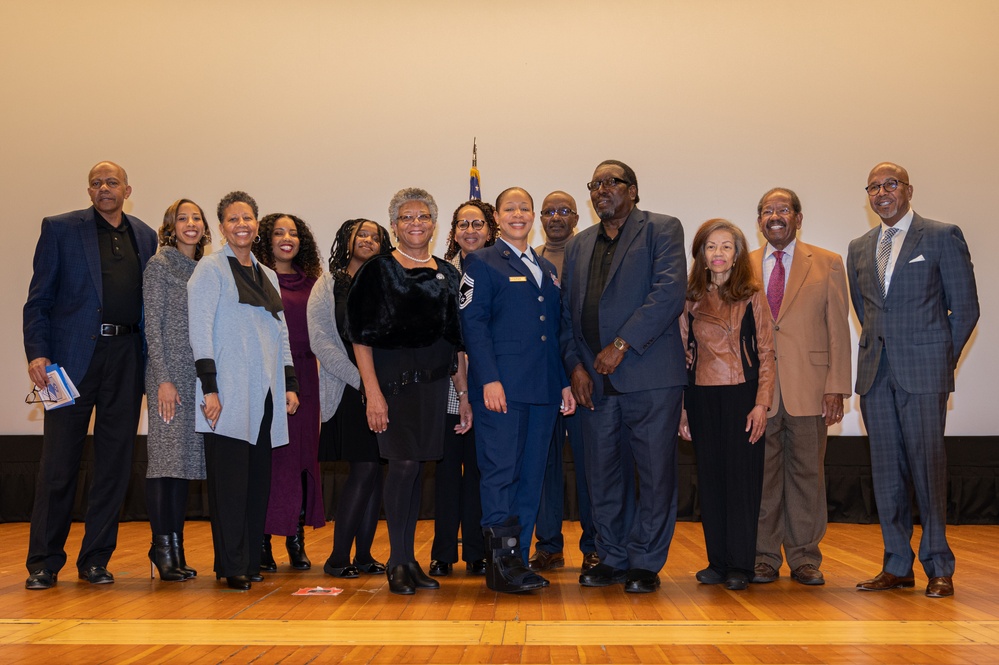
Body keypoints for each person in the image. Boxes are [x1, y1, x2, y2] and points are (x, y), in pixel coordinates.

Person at [847, 162, 979, 598]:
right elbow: (866, 311)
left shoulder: (941, 236)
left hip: (923, 375)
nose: (882, 192)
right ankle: (897, 565)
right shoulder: (859, 247)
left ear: (908, 190)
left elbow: (965, 309)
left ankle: (939, 565)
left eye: (891, 184)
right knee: (886, 474)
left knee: (928, 470)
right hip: (875, 376)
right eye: (874, 187)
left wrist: (940, 360)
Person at [23, 161, 157, 590]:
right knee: (58, 465)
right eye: (97, 183)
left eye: (112, 182)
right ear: (89, 191)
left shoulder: (145, 235)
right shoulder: (60, 229)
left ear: (127, 189)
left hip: (127, 358)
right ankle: (44, 563)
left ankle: (95, 560)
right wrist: (38, 354)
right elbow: (38, 299)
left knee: (114, 465)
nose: (104, 188)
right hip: (68, 363)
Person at [560, 160, 686, 594]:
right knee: (602, 473)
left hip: (649, 375)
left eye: (611, 182)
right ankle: (612, 557)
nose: (601, 190)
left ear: (633, 190)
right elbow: (568, 314)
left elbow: (668, 292)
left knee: (654, 474)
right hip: (594, 381)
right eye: (595, 184)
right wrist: (576, 365)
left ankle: (646, 562)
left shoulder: (662, 229)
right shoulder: (578, 246)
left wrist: (621, 344)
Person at [345, 188, 462, 595]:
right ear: (394, 225)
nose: (416, 223)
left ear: (434, 222)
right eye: (407, 217)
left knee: (417, 471)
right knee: (404, 467)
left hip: (433, 387)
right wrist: (372, 393)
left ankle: (409, 561)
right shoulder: (377, 270)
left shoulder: (448, 272)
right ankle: (397, 561)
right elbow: (360, 337)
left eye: (423, 216)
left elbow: (456, 338)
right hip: (392, 386)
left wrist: (461, 394)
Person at [460, 187, 576, 593]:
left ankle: (520, 561)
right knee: (500, 475)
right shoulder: (482, 262)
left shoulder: (544, 266)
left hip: (543, 391)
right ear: (497, 215)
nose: (518, 214)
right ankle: (500, 566)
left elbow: (553, 332)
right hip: (501, 391)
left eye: (524, 208)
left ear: (533, 216)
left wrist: (563, 383)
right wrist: (489, 379)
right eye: (510, 208)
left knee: (531, 480)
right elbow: (472, 325)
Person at [188, 191, 300, 591]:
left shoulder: (268, 275)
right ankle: (230, 563)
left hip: (265, 395)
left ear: (256, 225)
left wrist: (288, 384)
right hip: (228, 394)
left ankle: (251, 560)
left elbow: (281, 334)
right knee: (230, 485)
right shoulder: (210, 269)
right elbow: (199, 331)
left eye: (248, 218)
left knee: (256, 483)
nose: (242, 225)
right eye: (233, 219)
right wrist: (210, 388)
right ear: (221, 228)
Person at [748, 188, 852, 587]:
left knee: (808, 475)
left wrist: (836, 386)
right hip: (760, 392)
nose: (776, 216)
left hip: (811, 388)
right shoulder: (745, 264)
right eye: (767, 211)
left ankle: (806, 557)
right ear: (759, 220)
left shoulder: (828, 263)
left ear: (798, 217)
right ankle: (764, 556)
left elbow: (838, 329)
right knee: (763, 477)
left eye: (783, 210)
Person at [679, 219, 776, 591]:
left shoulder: (752, 295)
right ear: (701, 254)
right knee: (712, 482)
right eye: (711, 247)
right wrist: (684, 409)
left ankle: (740, 564)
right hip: (702, 397)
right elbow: (682, 354)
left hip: (742, 398)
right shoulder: (689, 298)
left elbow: (767, 354)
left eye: (726, 247)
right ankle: (717, 562)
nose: (718, 254)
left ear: (737, 255)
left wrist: (761, 404)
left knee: (742, 484)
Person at [311, 218, 392, 579]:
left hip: (385, 391)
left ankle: (363, 556)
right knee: (364, 467)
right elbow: (322, 342)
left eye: (375, 236)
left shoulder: (389, 283)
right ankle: (337, 557)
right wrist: (362, 381)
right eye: (362, 234)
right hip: (347, 390)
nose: (368, 240)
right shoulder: (328, 283)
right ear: (347, 239)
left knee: (376, 471)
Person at [251, 213, 326, 571]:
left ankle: (296, 539)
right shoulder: (255, 278)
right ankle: (262, 541)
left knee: (300, 461)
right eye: (278, 232)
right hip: (267, 375)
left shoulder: (314, 284)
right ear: (266, 238)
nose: (286, 238)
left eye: (293, 233)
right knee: (271, 460)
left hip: (306, 380)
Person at [529, 191, 598, 574]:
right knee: (545, 467)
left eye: (564, 211)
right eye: (549, 211)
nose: (556, 217)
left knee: (591, 467)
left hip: (583, 377)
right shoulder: (531, 260)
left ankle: (594, 546)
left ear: (576, 217)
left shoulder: (590, 254)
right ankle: (549, 546)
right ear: (542, 217)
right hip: (543, 380)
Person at [144, 198, 212, 581]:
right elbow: (152, 325)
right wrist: (164, 379)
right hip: (167, 376)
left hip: (197, 377)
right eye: (182, 218)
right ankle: (161, 545)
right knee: (165, 464)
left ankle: (176, 547)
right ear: (171, 226)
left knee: (184, 464)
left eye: (196, 218)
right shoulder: (160, 264)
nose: (190, 223)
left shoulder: (207, 268)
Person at [428, 200, 496, 577]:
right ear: (453, 232)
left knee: (480, 473)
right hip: (449, 390)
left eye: (478, 224)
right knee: (447, 470)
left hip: (488, 389)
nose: (470, 230)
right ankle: (442, 552)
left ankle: (476, 550)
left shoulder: (499, 270)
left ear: (491, 229)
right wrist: (462, 386)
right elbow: (448, 335)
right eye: (463, 224)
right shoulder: (441, 275)